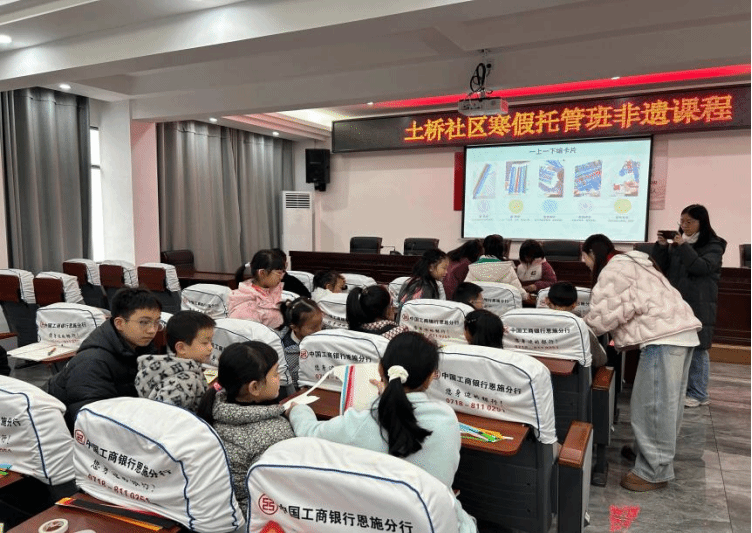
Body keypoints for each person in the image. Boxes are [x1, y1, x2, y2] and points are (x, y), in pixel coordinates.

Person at [288, 332, 476, 531]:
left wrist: (298, 409)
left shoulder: (360, 422)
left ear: (380, 368)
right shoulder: (446, 419)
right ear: (430, 377)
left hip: (374, 523)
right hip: (435, 523)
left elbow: (309, 433)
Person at [582, 234, 701, 492]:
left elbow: (601, 318)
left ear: (591, 253)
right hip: (679, 333)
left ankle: (653, 471)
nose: (586, 265)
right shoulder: (634, 262)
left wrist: (575, 326)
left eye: (585, 259)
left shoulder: (615, 268)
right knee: (664, 405)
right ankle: (644, 452)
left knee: (653, 406)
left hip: (663, 338)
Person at [196, 341, 294, 513]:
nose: (279, 377)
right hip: (254, 515)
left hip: (217, 509)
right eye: (275, 373)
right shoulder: (275, 432)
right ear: (254, 387)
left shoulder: (212, 409)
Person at [47, 288, 162, 429]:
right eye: (144, 322)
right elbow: (90, 422)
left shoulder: (143, 349)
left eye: (157, 322)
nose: (152, 330)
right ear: (119, 323)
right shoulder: (91, 362)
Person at [651, 204, 726, 408]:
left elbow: (700, 268)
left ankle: (699, 394)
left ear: (702, 223)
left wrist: (683, 246)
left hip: (700, 303)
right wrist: (661, 247)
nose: (684, 226)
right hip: (678, 302)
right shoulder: (679, 244)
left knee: (698, 349)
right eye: (682, 221)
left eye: (689, 222)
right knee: (680, 345)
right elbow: (661, 268)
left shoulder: (714, 245)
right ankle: (685, 389)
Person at [134, 310, 215, 411]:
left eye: (211, 342)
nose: (210, 348)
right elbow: (165, 415)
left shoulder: (167, 367)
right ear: (181, 348)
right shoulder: (183, 383)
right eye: (205, 343)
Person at [545, 282, 607, 368]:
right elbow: (600, 360)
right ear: (574, 305)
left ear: (547, 301)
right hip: (577, 375)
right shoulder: (582, 328)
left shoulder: (533, 325)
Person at [228, 250, 286, 329]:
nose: (281, 277)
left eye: (283, 272)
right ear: (262, 273)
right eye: (279, 273)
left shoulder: (271, 289)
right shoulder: (246, 305)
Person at [278, 297, 323, 389]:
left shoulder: (322, 332)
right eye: (313, 328)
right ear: (295, 328)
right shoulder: (287, 351)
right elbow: (294, 380)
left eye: (321, 324)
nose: (319, 330)